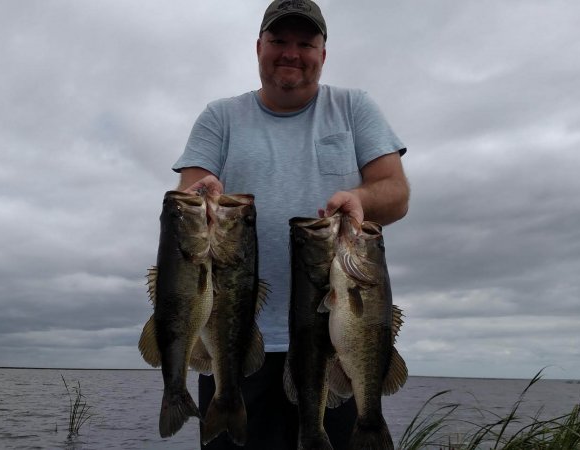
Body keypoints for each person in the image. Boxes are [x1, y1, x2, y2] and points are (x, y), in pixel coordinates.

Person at [172, 0, 409, 448]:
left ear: (324, 52)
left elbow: (395, 194)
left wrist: (359, 197)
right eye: (279, 40)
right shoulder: (219, 117)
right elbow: (185, 204)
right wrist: (201, 195)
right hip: (235, 336)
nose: (291, 52)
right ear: (258, 46)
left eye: (306, 42)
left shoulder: (353, 107)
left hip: (335, 344)